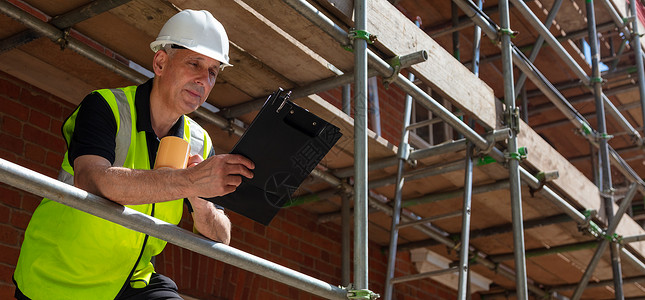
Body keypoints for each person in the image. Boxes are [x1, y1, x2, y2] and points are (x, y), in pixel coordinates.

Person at [12, 9, 254, 300]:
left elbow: (221, 237)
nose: (204, 79)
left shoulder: (200, 141)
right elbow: (92, 180)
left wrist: (200, 202)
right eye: (195, 64)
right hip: (59, 278)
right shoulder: (105, 107)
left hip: (132, 281)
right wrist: (188, 180)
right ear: (161, 63)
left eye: (213, 72)